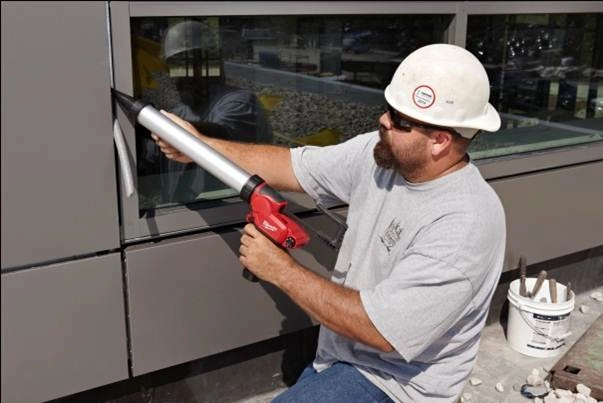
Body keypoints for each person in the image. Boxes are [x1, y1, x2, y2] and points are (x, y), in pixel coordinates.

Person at [151, 43, 506, 403]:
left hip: (397, 383)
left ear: (440, 142)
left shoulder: (465, 225)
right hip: (340, 356)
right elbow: (290, 166)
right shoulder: (380, 157)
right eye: (388, 108)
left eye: (400, 119)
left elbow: (381, 331)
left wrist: (280, 270)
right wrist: (197, 145)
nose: (384, 120)